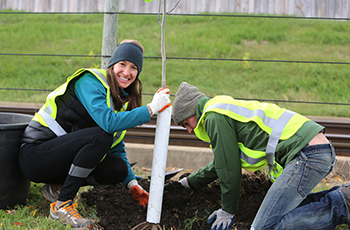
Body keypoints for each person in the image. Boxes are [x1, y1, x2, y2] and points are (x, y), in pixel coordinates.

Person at [18, 39, 171, 229]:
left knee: (118, 168)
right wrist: (151, 108)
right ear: (112, 65)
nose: (126, 72)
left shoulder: (117, 100)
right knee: (101, 136)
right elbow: (108, 124)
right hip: (36, 156)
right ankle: (62, 205)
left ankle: (57, 188)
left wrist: (132, 183)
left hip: (56, 159)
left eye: (133, 67)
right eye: (122, 64)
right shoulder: (90, 81)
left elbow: (116, 149)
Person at [173, 82, 350, 230]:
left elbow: (228, 168)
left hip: (307, 154)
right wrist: (189, 182)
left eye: (186, 123)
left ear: (192, 110)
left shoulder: (213, 117)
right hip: (313, 149)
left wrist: (228, 210)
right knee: (284, 212)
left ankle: (343, 206)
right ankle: (344, 196)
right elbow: (222, 162)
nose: (189, 130)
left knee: (264, 227)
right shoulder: (219, 109)